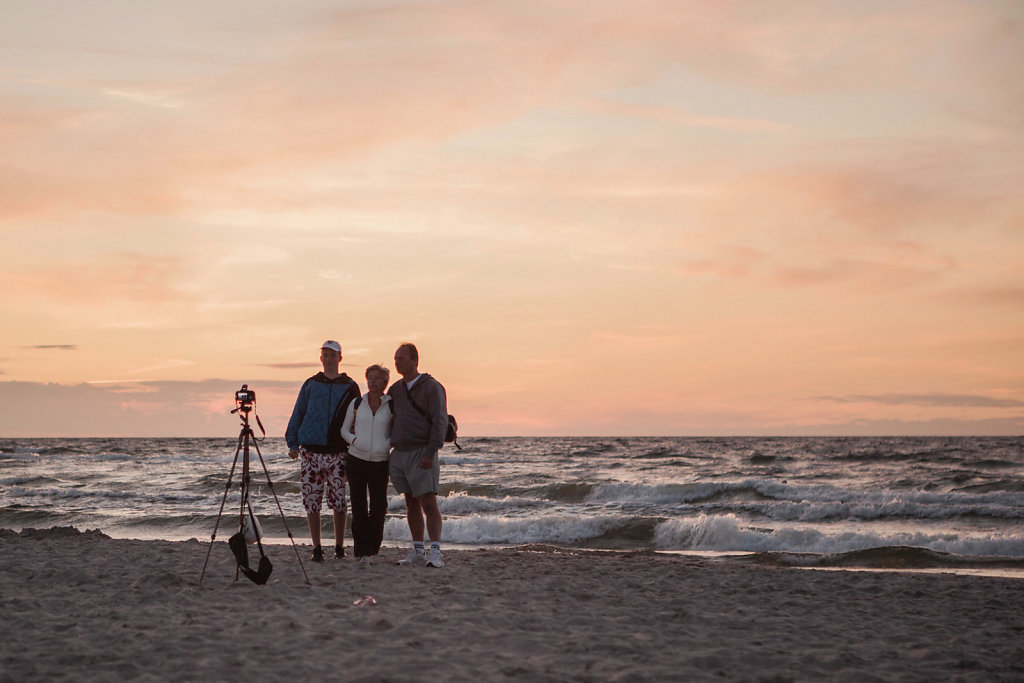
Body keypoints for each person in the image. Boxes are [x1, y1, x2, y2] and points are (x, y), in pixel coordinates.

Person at [285, 340, 360, 562]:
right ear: (321, 358)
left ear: (340, 358)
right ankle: (316, 547)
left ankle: (339, 546)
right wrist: (292, 443)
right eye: (325, 355)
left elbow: (358, 416)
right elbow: (298, 413)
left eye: (332, 355)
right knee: (312, 500)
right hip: (310, 451)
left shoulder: (350, 386)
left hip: (338, 451)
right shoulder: (310, 384)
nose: (328, 358)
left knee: (339, 501)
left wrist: (359, 443)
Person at [388, 342, 448, 568]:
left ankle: (436, 551)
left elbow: (440, 421)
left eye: (401, 358)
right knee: (410, 502)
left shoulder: (431, 387)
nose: (397, 362)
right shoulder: (395, 390)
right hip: (400, 452)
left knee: (429, 502)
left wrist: (431, 451)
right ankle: (417, 550)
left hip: (422, 450)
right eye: (395, 359)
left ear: (415, 360)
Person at [341, 364, 394, 565]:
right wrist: (354, 441)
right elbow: (344, 430)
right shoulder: (357, 403)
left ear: (384, 382)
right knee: (359, 505)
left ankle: (372, 548)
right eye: (370, 377)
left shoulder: (391, 405)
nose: (373, 381)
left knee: (379, 507)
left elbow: (396, 431)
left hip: (380, 461)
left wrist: (386, 445)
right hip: (356, 459)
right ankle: (362, 552)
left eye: (377, 378)